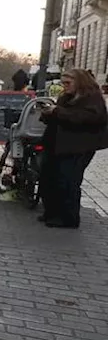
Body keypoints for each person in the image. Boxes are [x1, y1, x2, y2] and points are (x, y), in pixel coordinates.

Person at [38, 68, 108, 229]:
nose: (65, 86)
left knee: (68, 180)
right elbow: (60, 115)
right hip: (57, 144)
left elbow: (90, 118)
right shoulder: (66, 97)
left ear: (79, 82)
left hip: (77, 146)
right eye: (64, 83)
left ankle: (68, 217)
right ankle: (51, 212)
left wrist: (58, 111)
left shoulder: (92, 98)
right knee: (49, 177)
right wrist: (48, 113)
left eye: (68, 83)